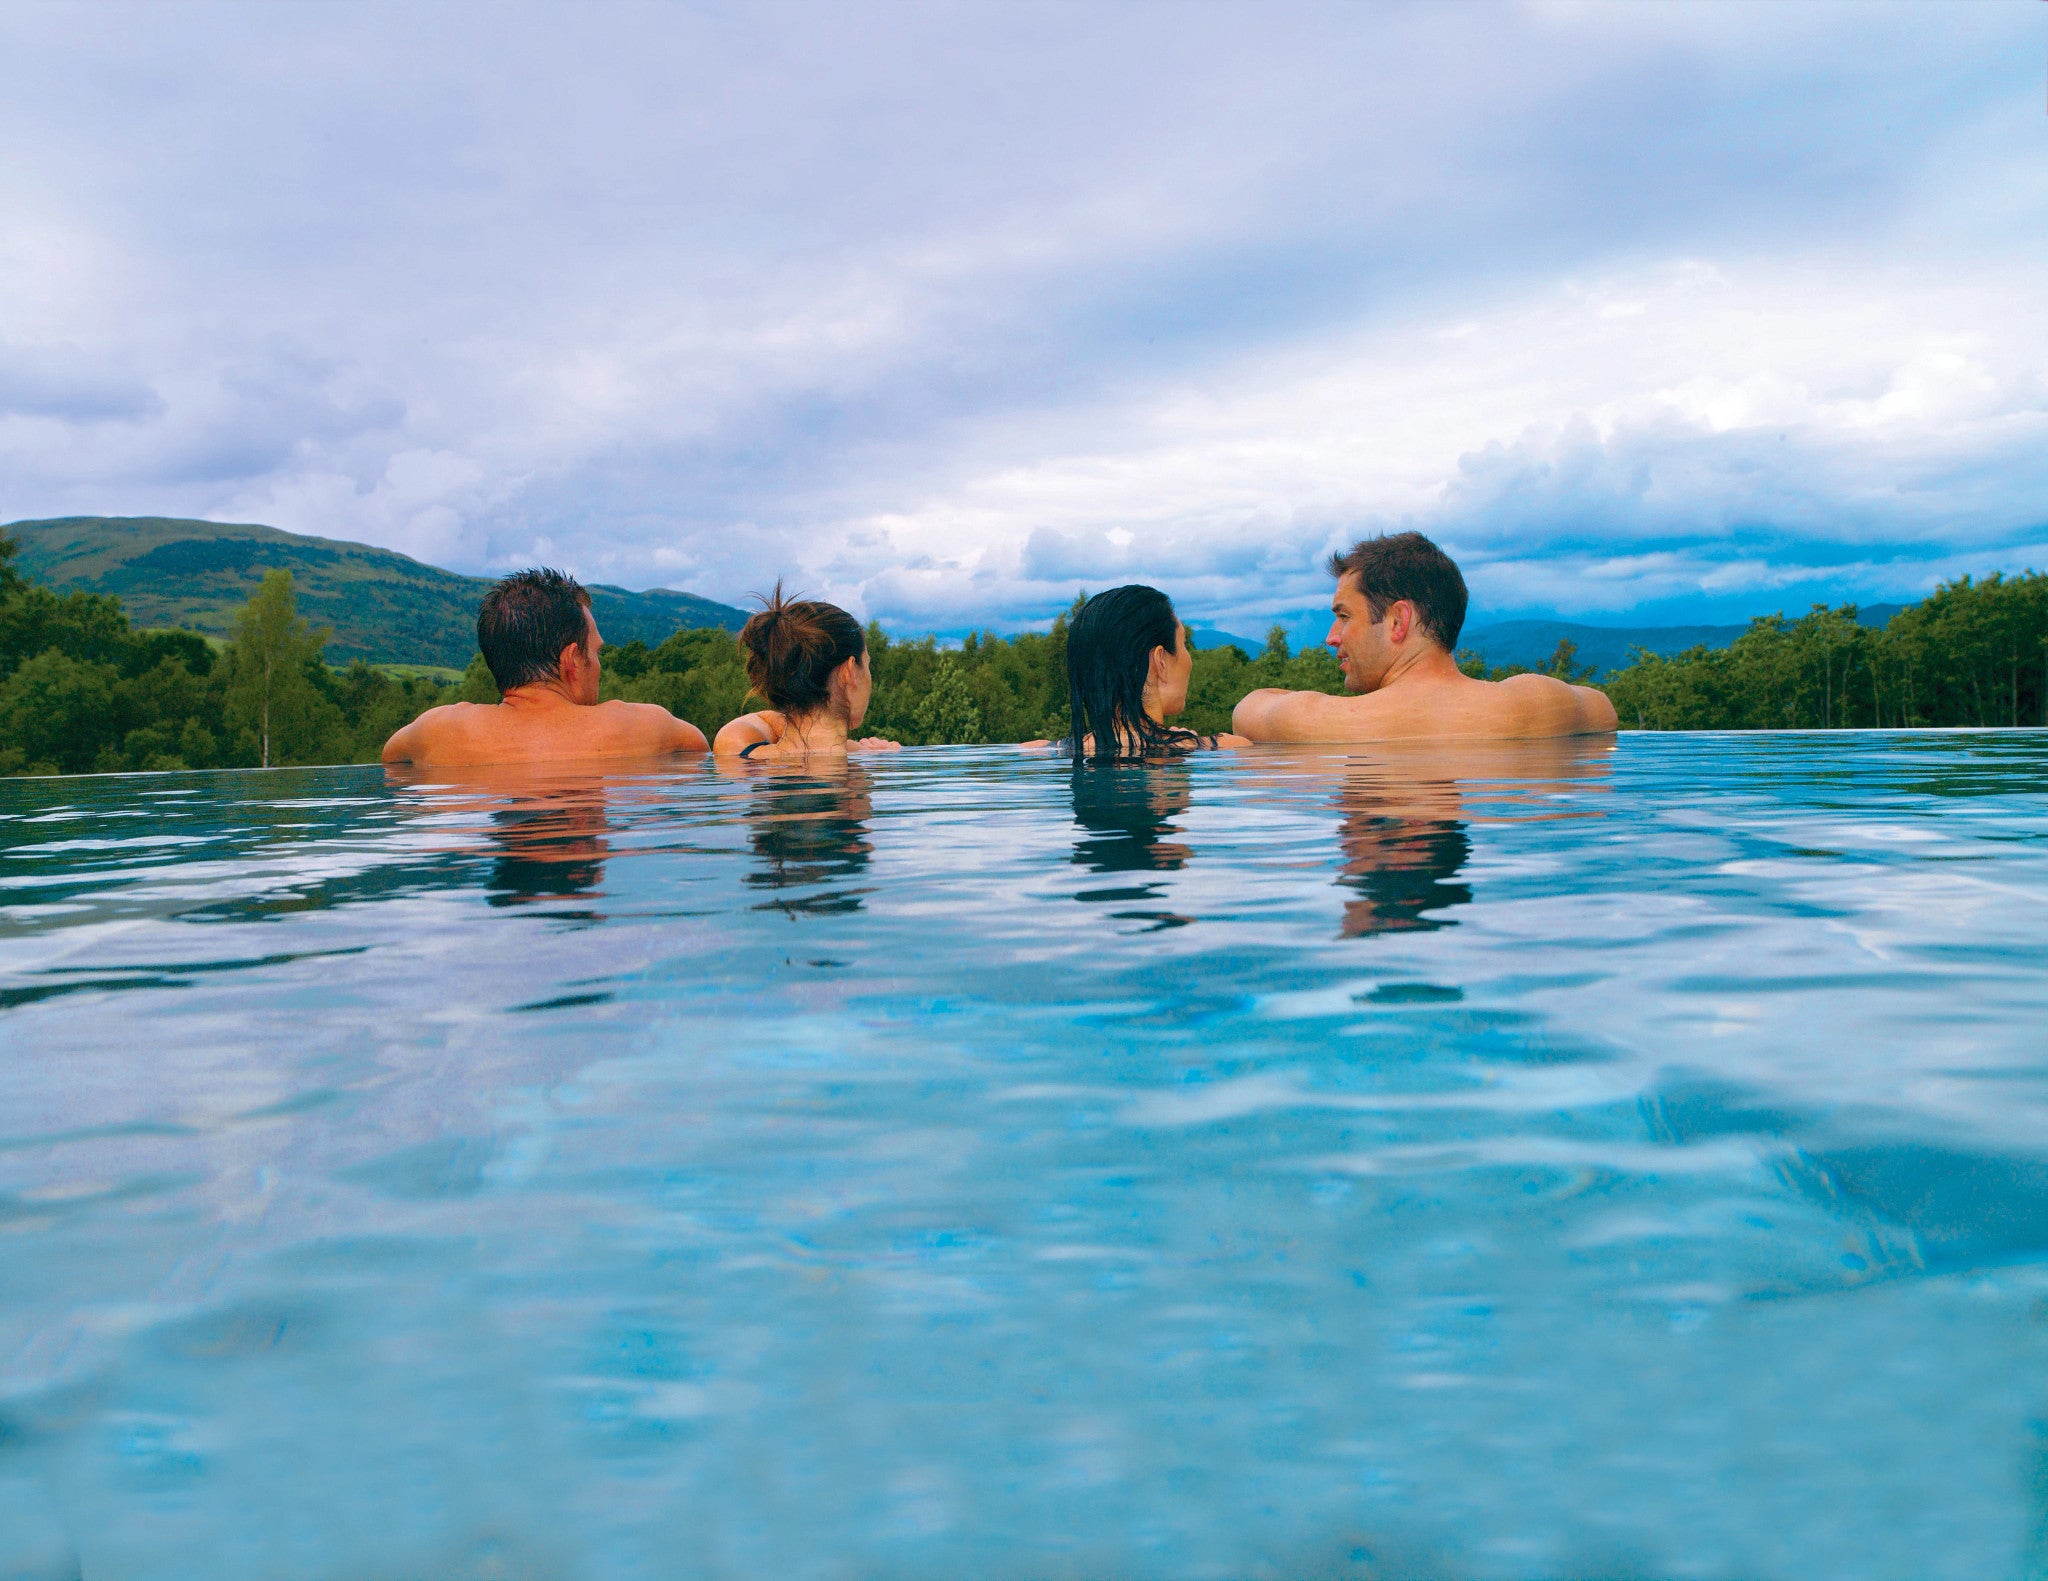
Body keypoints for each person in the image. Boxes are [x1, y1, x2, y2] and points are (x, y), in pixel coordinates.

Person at [1231, 533, 1617, 742]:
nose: (1332, 638)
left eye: (1344, 616)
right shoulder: (1538, 703)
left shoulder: (1329, 720)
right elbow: (1604, 710)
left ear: (1399, 620)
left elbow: (1249, 709)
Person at [381, 568, 708, 767]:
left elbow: (391, 760)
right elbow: (699, 752)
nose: (597, 665)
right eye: (595, 653)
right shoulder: (647, 727)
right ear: (572, 661)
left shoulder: (435, 731)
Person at [1027, 584, 1250, 760]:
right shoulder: (1229, 748)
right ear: (1160, 660)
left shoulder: (1036, 751)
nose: (1189, 658)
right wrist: (1188, 743)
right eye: (1184, 644)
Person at [713, 586, 901, 759]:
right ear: (848, 671)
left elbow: (754, 721)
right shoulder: (873, 765)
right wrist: (866, 751)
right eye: (867, 664)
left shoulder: (738, 755)